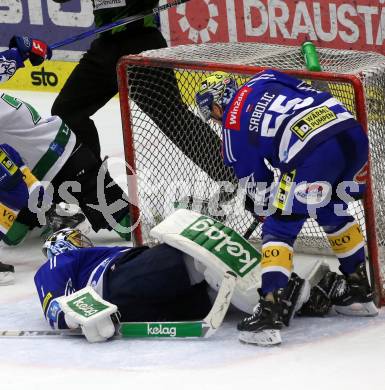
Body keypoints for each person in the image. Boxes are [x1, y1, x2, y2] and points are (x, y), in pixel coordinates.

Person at [195, 70, 378, 346]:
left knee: (278, 226)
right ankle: (359, 289)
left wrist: (264, 208)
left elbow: (258, 181)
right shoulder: (263, 77)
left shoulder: (231, 129)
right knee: (330, 207)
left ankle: (269, 311)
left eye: (213, 112)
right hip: (351, 134)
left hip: (312, 153)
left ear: (218, 105)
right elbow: (303, 89)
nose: (215, 117)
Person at [51, 0, 236, 191]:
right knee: (66, 111)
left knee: (172, 117)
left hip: (141, 41)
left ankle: (231, 175)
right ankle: (99, 190)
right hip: (105, 47)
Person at [0, 37, 133, 248]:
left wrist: (19, 54)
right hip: (35, 175)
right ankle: (46, 211)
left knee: (131, 226)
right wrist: (18, 54)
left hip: (65, 156)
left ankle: (45, 209)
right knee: (12, 236)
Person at [34, 228, 213, 342]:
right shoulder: (62, 259)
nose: (83, 243)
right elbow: (54, 304)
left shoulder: (91, 257)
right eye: (76, 240)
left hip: (121, 308)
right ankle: (208, 264)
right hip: (117, 281)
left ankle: (213, 290)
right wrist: (71, 317)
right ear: (59, 247)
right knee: (179, 259)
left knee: (197, 299)